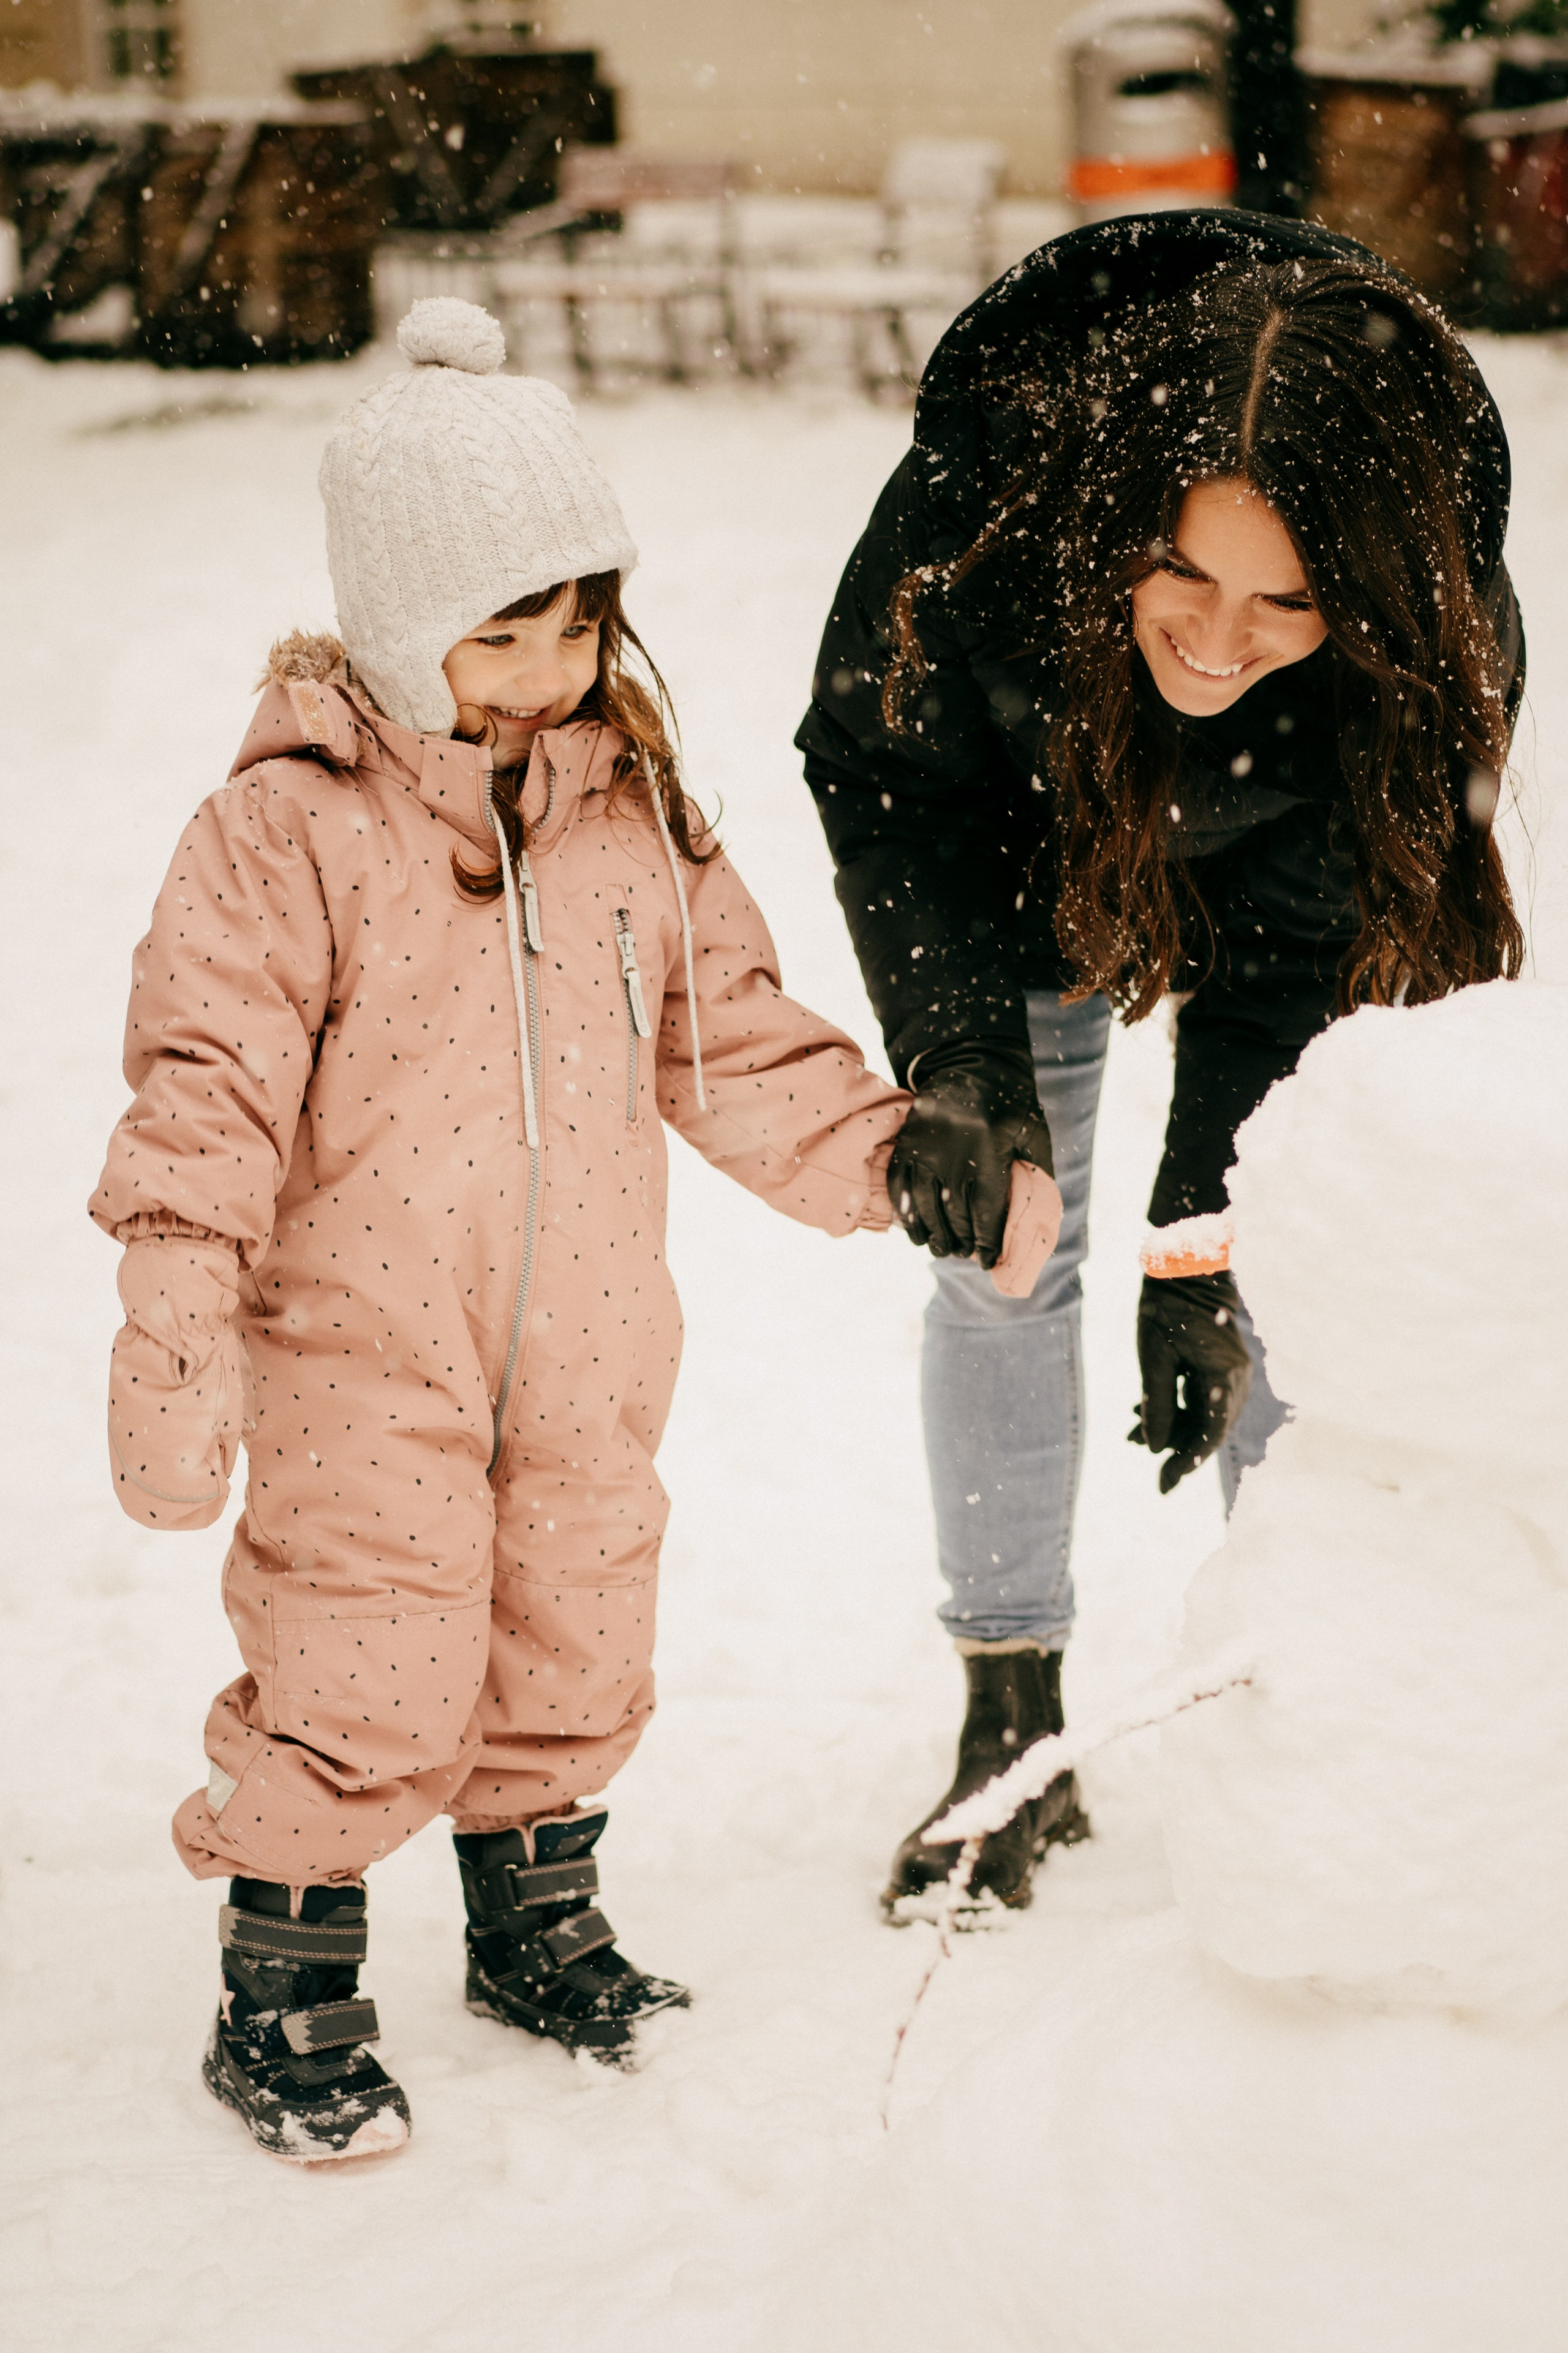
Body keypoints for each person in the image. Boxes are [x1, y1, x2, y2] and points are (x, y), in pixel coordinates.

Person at [92, 298, 914, 2162]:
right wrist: (173, 1324)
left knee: (574, 1616)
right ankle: (287, 1977)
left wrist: (891, 1154)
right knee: (364, 1645)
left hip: (592, 1334)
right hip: (358, 1342)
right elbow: (201, 1095)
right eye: (498, 628)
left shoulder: (632, 814)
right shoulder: (288, 831)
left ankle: (534, 1916)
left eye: (576, 619)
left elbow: (735, 1037)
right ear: (398, 620)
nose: (547, 669)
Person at [796, 212, 1525, 1917]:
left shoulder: (1421, 625)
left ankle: (1308, 1699)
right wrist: (961, 1061)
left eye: (1286, 602)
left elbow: (1295, 947)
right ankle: (1008, 1719)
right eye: (1184, 575)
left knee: (1290, 1279)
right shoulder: (981, 523)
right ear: (1119, 526)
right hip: (1024, 828)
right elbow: (888, 779)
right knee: (1003, 1251)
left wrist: (1199, 1239)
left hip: (1284, 844)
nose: (1216, 635)